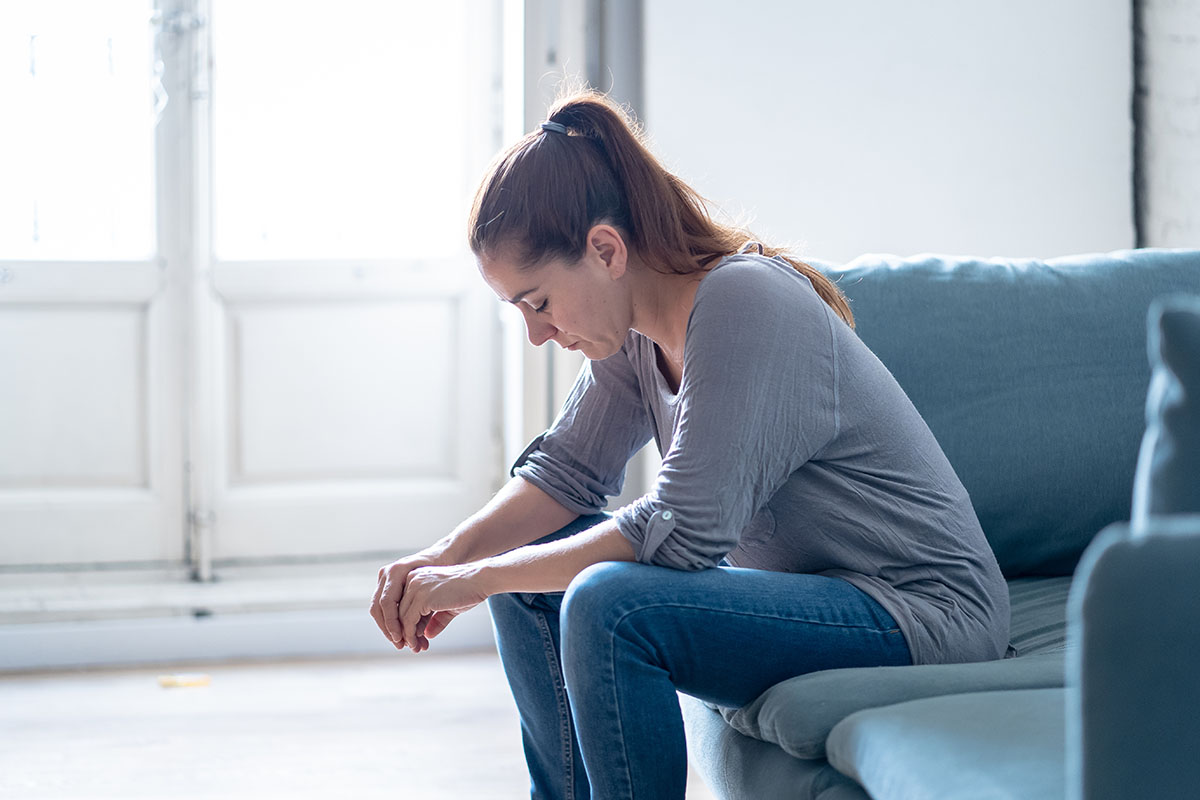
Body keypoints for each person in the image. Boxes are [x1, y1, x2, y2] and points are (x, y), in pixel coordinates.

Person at [369, 89, 1010, 800]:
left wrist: (481, 577)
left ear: (605, 249)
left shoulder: (745, 300)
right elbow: (564, 475)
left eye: (540, 302)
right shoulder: (632, 337)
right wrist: (448, 557)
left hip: (920, 612)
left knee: (608, 603)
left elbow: (683, 533)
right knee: (529, 578)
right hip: (816, 595)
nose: (538, 334)